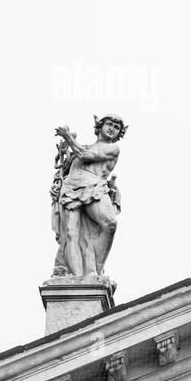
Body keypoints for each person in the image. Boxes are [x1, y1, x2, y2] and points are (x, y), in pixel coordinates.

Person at [51, 114, 126, 281]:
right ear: (100, 126)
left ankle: (96, 269)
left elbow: (86, 156)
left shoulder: (112, 148)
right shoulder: (82, 146)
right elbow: (64, 170)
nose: (112, 128)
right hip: (70, 189)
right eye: (109, 124)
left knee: (110, 224)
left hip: (93, 187)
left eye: (117, 127)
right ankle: (77, 277)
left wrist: (67, 137)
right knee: (71, 234)